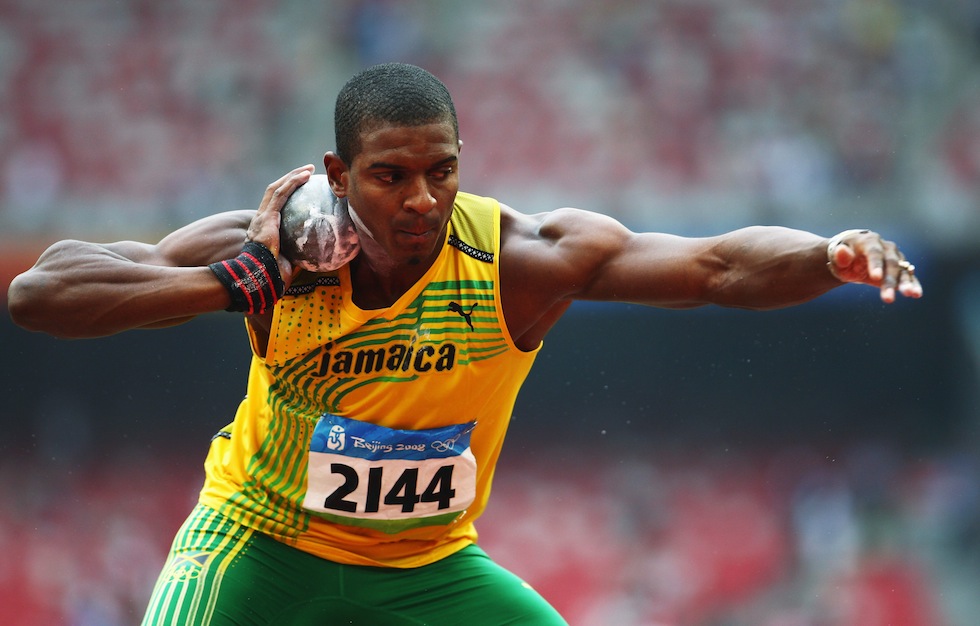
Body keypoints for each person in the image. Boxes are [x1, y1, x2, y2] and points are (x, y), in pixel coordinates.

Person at [7, 62, 923, 625]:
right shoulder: (270, 249)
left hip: (428, 566)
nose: (422, 200)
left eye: (441, 171)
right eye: (390, 176)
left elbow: (713, 265)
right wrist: (236, 283)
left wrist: (827, 255)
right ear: (338, 174)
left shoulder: (515, 260)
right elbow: (40, 293)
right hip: (258, 544)